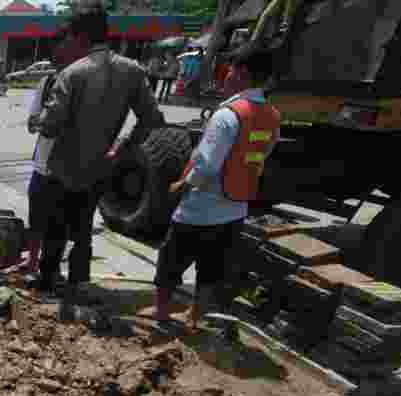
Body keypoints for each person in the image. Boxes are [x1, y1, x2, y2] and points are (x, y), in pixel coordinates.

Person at [29, 1, 164, 296]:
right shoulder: (133, 70)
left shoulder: (72, 74)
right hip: (100, 166)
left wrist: (39, 120)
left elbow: (50, 126)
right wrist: (122, 147)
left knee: (56, 228)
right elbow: (152, 119)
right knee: (83, 228)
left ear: (79, 37)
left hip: (63, 169)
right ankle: (80, 282)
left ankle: (48, 280)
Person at [152, 48, 280, 329]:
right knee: (211, 267)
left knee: (170, 261)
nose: (227, 76)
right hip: (236, 207)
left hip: (202, 206)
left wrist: (181, 185)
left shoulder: (228, 115)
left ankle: (160, 313)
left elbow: (207, 164)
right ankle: (195, 316)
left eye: (231, 70)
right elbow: (262, 154)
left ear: (243, 73)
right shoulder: (271, 115)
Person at [25, 25, 88, 274]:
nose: (60, 58)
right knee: (36, 221)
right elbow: (32, 124)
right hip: (42, 166)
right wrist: (46, 121)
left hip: (68, 169)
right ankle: (32, 263)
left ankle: (51, 272)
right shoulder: (48, 82)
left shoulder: (84, 83)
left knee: (60, 226)